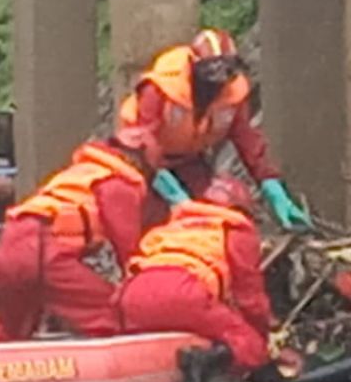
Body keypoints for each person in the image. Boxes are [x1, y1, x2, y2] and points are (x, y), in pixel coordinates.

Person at [114, 175, 290, 382]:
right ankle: (204, 361)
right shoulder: (235, 228)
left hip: (133, 297)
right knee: (251, 344)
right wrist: (261, 339)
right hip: (183, 293)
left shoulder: (172, 226)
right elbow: (250, 296)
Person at [117, 28, 310, 231]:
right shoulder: (160, 89)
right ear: (193, 66)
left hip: (188, 161)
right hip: (140, 163)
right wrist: (176, 196)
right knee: (152, 219)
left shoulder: (232, 94)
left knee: (223, 205)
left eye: (227, 71)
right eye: (210, 72)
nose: (218, 80)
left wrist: (271, 185)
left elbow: (247, 140)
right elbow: (141, 145)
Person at [0, 130, 159, 342]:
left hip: (10, 245)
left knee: (11, 334)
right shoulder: (118, 183)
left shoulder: (80, 173)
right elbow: (129, 252)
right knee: (112, 318)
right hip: (44, 253)